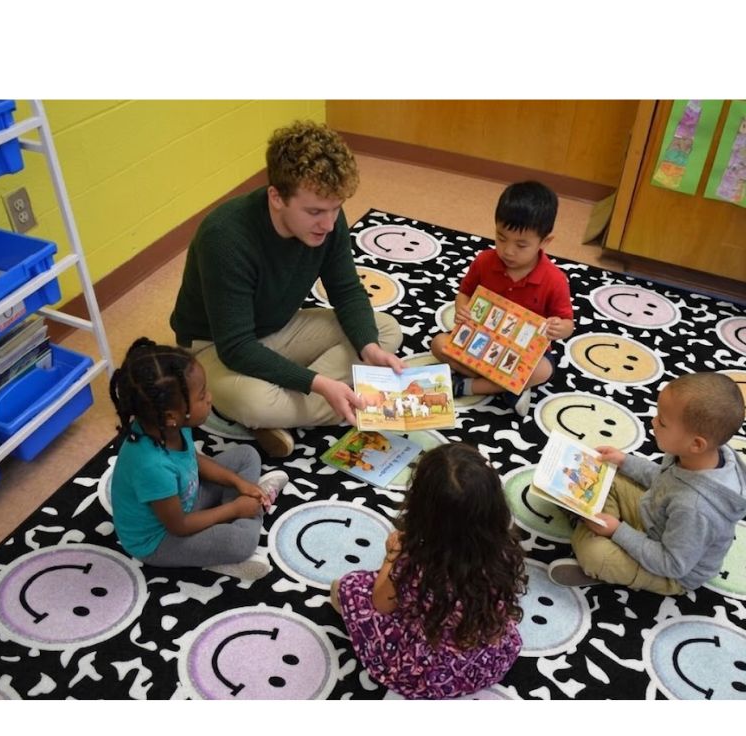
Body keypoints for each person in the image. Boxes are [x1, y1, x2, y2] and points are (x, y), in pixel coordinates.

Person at [169, 120, 404, 458]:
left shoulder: (328, 220)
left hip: (280, 327)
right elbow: (236, 346)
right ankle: (353, 401)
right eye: (315, 212)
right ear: (276, 197)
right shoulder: (224, 237)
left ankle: (293, 406)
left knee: (383, 331)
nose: (329, 222)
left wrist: (368, 349)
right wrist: (319, 383)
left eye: (336, 208)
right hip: (214, 346)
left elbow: (347, 290)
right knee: (253, 402)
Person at [331, 443, 527, 699]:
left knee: (349, 587)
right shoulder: (504, 554)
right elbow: (498, 624)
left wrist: (392, 556)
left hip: (424, 670)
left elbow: (381, 603)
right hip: (483, 663)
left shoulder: (417, 563)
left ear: (422, 507)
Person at [549, 372, 746, 594]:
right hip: (654, 517)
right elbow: (660, 478)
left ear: (696, 444)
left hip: (671, 572)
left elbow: (671, 564)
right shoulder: (699, 455)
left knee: (596, 556)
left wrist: (617, 531)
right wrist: (624, 461)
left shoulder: (696, 508)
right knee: (610, 474)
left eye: (661, 422)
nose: (653, 422)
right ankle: (591, 522)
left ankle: (595, 553)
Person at [109, 338, 289, 577]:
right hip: (162, 538)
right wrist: (235, 509)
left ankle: (239, 513)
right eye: (202, 396)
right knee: (240, 542)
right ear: (172, 415)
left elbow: (192, 461)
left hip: (187, 498)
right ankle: (232, 534)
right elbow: (179, 526)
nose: (210, 398)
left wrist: (238, 483)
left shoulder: (169, 426)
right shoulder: (151, 466)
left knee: (247, 455)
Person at [430, 181, 574, 416]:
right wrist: (462, 309)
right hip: (480, 339)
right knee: (438, 344)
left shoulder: (555, 279)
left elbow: (568, 324)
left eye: (521, 245)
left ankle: (467, 386)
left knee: (543, 370)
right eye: (501, 237)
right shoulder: (484, 261)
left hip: (524, 353)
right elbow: (465, 292)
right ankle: (508, 388)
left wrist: (560, 328)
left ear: (545, 242)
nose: (508, 250)